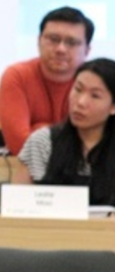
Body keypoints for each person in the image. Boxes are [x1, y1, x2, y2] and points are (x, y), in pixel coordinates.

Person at [14, 59, 115, 206]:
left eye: (95, 96)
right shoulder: (43, 142)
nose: (80, 102)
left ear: (113, 107)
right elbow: (17, 206)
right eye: (78, 89)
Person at [0, 6, 93, 155]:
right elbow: (19, 145)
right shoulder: (17, 76)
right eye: (53, 40)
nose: (60, 49)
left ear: (87, 50)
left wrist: (39, 129)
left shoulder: (98, 83)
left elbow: (101, 146)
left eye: (71, 42)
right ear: (38, 41)